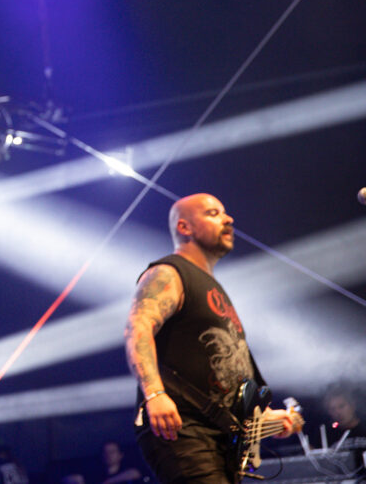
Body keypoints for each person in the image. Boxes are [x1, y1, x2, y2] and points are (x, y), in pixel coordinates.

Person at [124, 193, 296, 484]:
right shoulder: (169, 273)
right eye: (213, 213)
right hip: (183, 427)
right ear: (185, 228)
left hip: (219, 435)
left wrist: (262, 419)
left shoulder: (213, 287)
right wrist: (154, 393)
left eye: (225, 212)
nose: (227, 219)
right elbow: (138, 328)